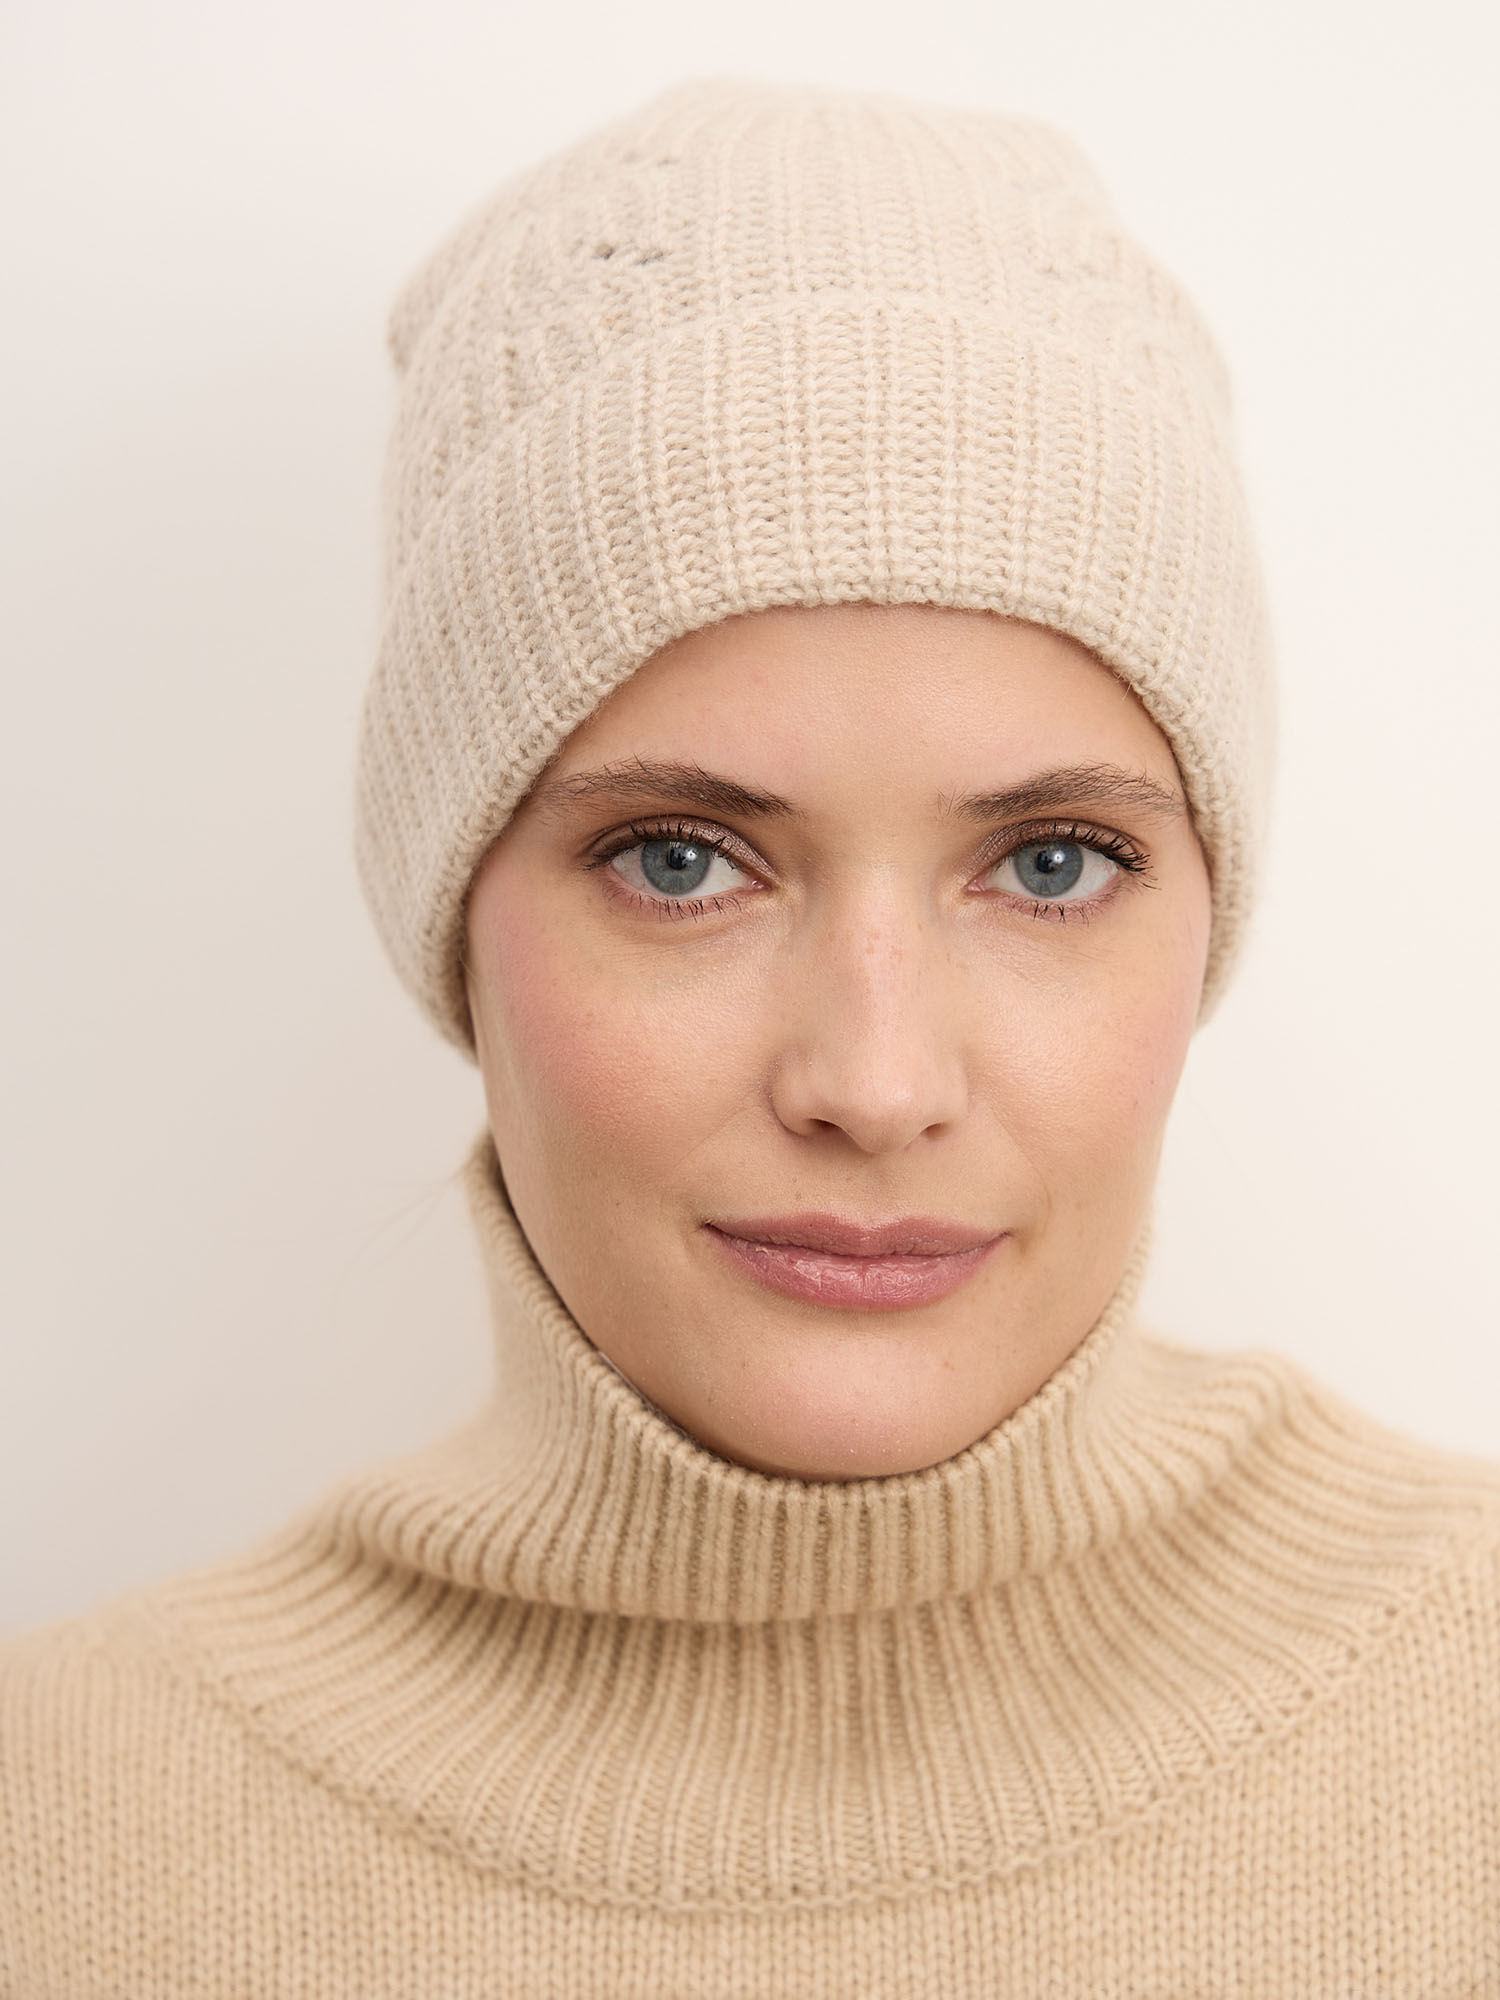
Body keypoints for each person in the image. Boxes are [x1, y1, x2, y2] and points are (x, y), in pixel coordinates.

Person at [2, 75, 1497, 1999]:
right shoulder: (62, 1837)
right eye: (681, 862)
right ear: (451, 915)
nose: (875, 1084)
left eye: (1051, 863)